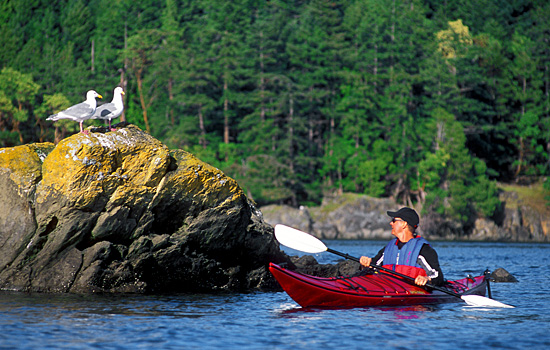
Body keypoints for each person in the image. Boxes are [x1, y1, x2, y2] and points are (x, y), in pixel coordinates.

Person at [359, 207, 444, 286]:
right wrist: (365, 264)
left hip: (412, 292)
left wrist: (427, 278)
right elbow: (373, 267)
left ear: (404, 224)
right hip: (387, 287)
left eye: (394, 220)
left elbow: (438, 276)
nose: (391, 223)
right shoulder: (388, 248)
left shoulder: (423, 250)